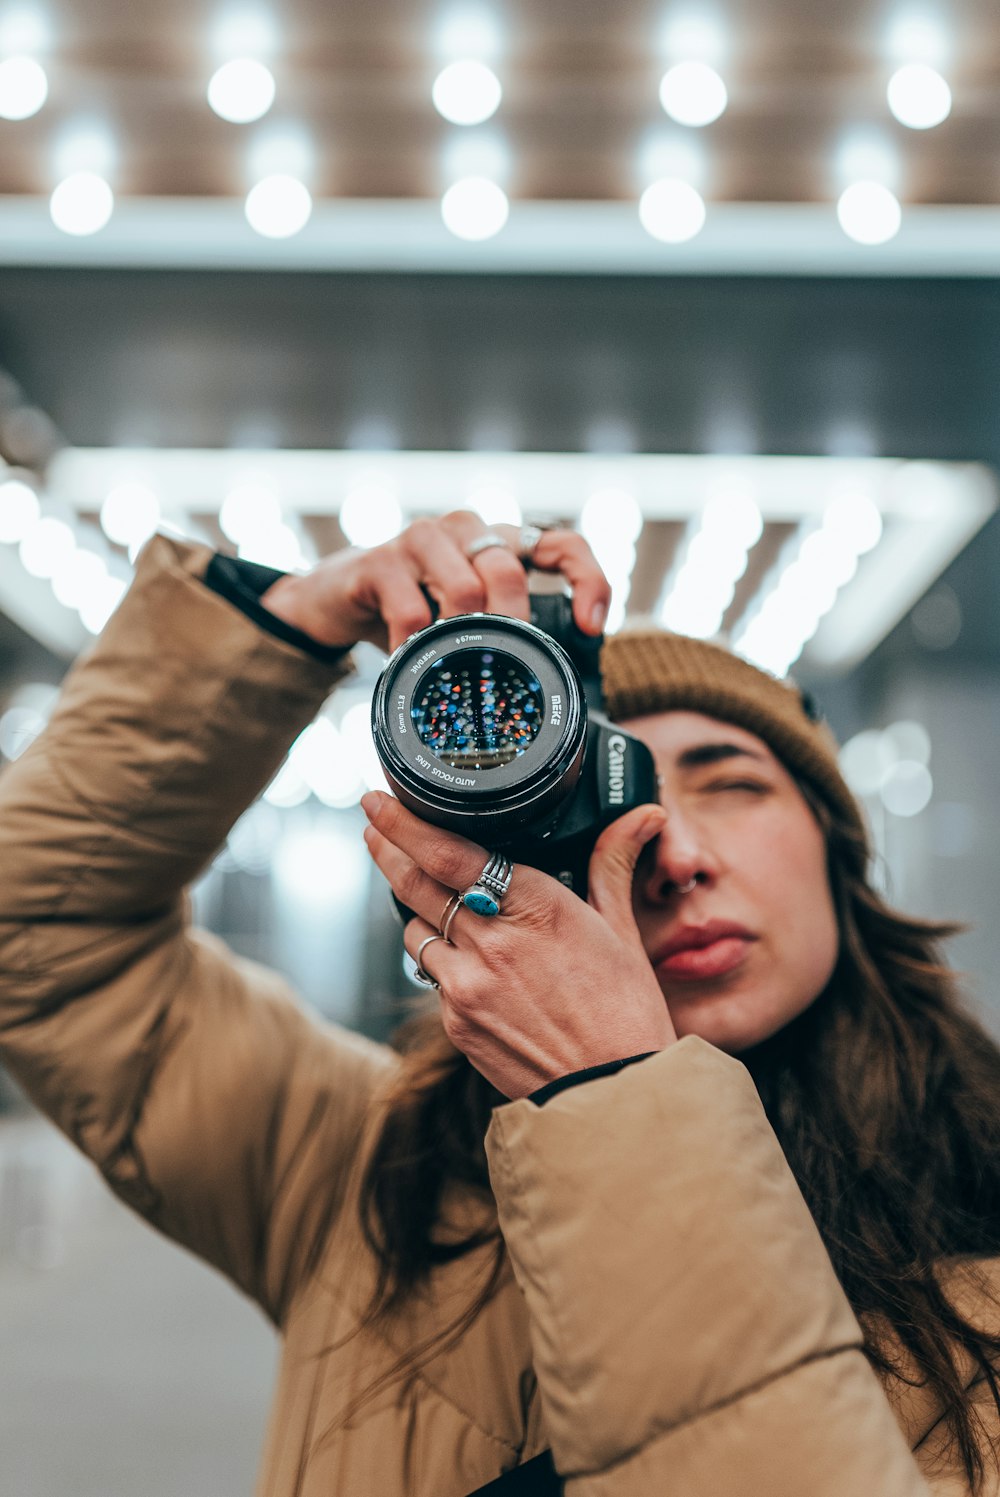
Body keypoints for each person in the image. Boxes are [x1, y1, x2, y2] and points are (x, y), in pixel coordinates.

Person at [0, 511, 998, 1497]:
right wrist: (278, 626)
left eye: (731, 783)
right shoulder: (357, 1163)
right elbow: (37, 939)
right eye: (609, 811)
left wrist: (612, 1098)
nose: (677, 857)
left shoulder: (983, 1207)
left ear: (837, 845)